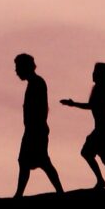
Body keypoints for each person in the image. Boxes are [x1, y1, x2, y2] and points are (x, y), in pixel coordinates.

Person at [58, 62, 105, 189]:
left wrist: (73, 104)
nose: (92, 74)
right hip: (101, 129)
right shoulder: (100, 89)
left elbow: (92, 106)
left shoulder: (104, 89)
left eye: (95, 72)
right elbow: (93, 106)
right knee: (95, 155)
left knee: (102, 158)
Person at [13, 54, 66, 197]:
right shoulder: (34, 83)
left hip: (36, 129)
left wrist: (35, 127)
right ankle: (20, 193)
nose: (16, 71)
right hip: (33, 129)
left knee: (39, 161)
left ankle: (20, 194)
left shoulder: (37, 83)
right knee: (31, 161)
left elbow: (41, 108)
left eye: (18, 67)